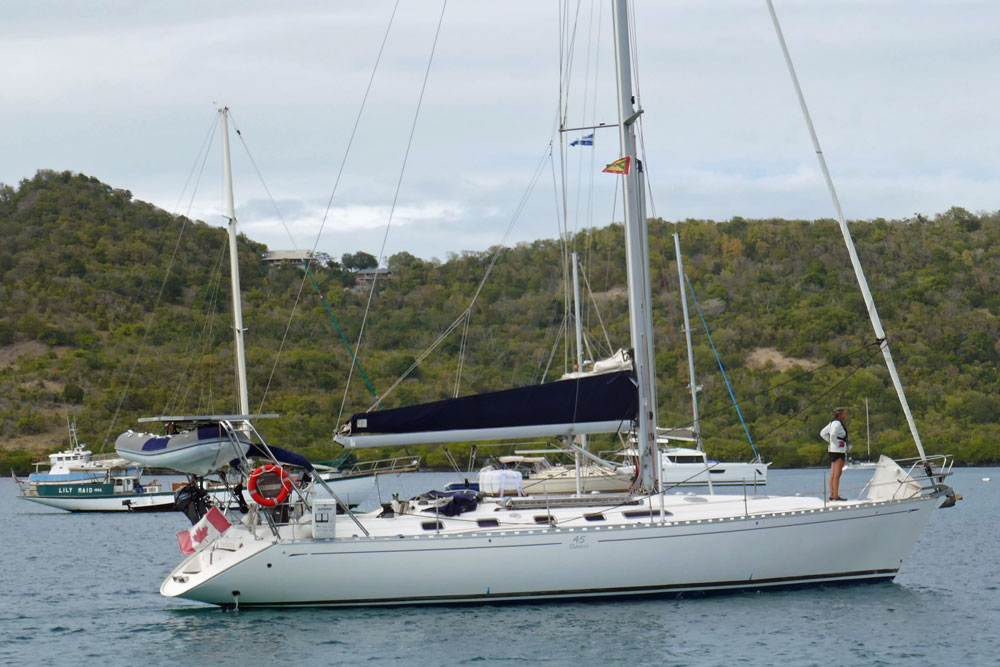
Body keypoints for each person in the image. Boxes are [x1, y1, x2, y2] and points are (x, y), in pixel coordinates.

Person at [820, 407, 849, 501]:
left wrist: (831, 442)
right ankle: (835, 495)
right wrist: (836, 443)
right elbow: (832, 434)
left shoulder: (832, 423)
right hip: (838, 450)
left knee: (833, 473)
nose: (846, 415)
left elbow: (823, 433)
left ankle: (832, 494)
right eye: (845, 413)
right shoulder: (837, 424)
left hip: (833, 450)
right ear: (840, 415)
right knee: (837, 473)